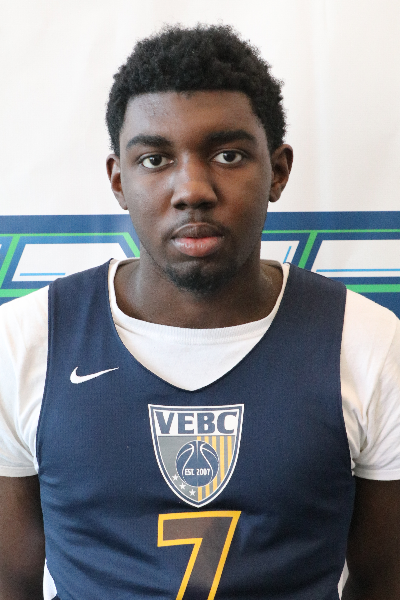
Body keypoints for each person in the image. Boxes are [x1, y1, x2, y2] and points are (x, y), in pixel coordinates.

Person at [0, 24, 399, 600]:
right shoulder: (25, 340)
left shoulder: (366, 342)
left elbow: (385, 582)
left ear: (278, 170)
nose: (193, 189)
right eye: (155, 158)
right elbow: (10, 581)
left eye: (227, 155)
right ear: (118, 180)